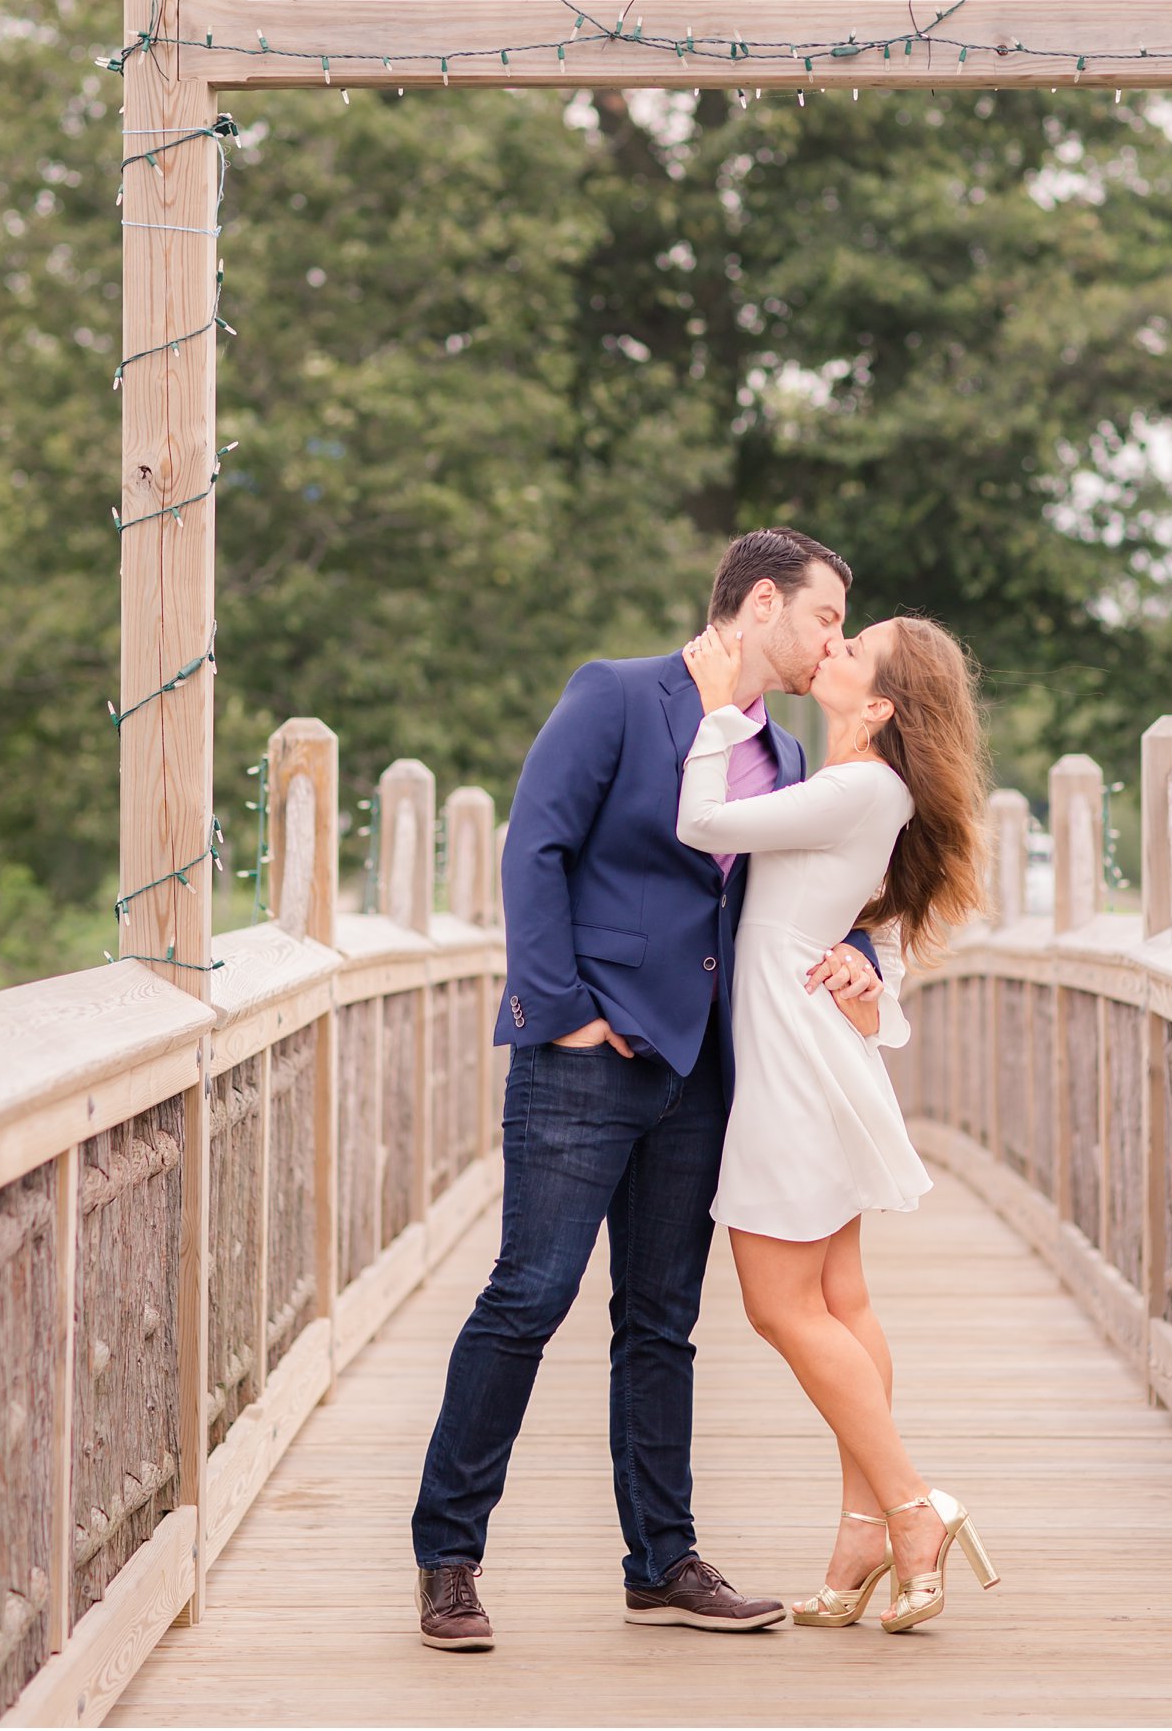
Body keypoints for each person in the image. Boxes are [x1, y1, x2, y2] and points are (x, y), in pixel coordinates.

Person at [412, 529, 888, 1650]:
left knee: (661, 1321)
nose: (831, 642)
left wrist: (866, 951)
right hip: (586, 1056)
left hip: (707, 1070)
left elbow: (812, 891)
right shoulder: (617, 697)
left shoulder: (787, 758)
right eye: (823, 618)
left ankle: (660, 1561)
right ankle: (448, 1559)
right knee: (527, 1298)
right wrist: (561, 1009)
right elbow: (534, 847)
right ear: (760, 603)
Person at [675, 611, 1000, 1635]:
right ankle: (864, 1526)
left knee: (779, 1307)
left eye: (853, 649)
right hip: (810, 1050)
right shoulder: (869, 789)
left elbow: (706, 825)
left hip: (792, 1066)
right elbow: (874, 937)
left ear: (880, 706)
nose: (833, 647)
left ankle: (911, 1509)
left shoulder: (857, 784)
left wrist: (718, 715)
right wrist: (865, 957)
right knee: (837, 1297)